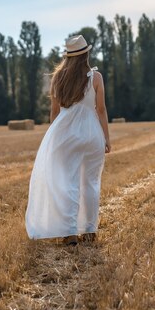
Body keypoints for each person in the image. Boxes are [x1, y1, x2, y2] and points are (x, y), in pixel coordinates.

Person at [25, 35, 111, 246]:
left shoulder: (58, 78)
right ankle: (90, 231)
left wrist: (55, 138)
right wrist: (106, 138)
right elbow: (100, 110)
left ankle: (70, 232)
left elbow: (54, 113)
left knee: (67, 182)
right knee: (90, 183)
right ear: (86, 54)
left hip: (66, 134)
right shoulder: (96, 77)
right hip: (91, 133)